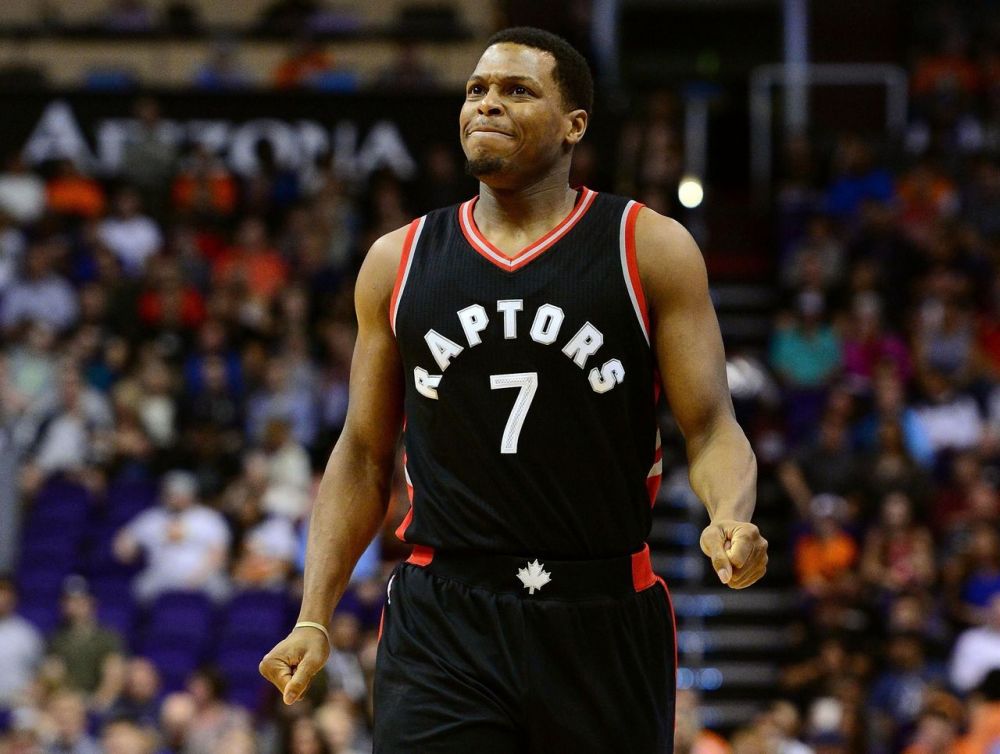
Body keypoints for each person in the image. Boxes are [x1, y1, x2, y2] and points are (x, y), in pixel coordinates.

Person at [260, 27, 767, 752]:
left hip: (601, 612)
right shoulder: (397, 261)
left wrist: (731, 516)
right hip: (445, 616)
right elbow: (364, 453)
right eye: (477, 89)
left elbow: (713, 426)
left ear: (573, 126)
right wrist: (314, 614)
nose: (487, 104)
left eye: (516, 90)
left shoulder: (647, 247)